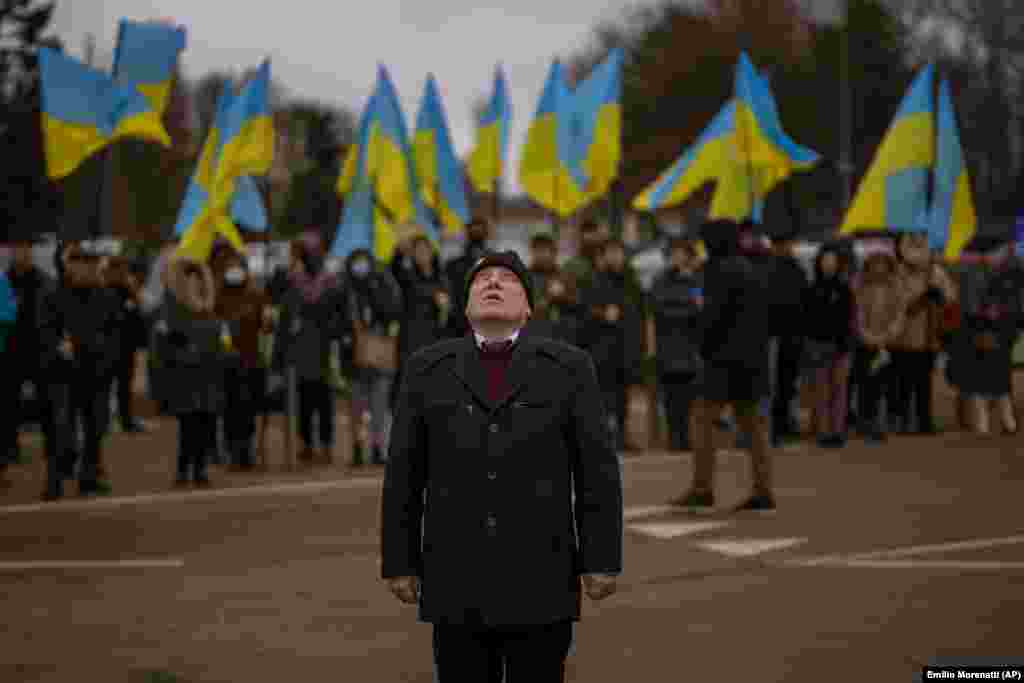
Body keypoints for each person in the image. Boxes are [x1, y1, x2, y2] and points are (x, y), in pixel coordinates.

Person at [380, 250, 623, 683]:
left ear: (528, 308)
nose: (493, 283)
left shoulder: (569, 368)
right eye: (481, 280)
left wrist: (601, 557)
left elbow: (596, 474)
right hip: (456, 576)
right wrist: (400, 561)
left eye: (507, 280)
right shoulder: (427, 369)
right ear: (466, 306)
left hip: (541, 577)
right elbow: (404, 474)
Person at [670, 219, 775, 513]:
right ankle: (763, 489)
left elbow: (711, 318)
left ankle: (702, 488)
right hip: (754, 360)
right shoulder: (751, 269)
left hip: (723, 361)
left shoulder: (716, 271)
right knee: (754, 426)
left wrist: (700, 342)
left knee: (702, 420)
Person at [38, 243, 122, 498]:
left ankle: (89, 477)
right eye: (81, 262)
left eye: (91, 263)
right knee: (61, 429)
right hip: (62, 375)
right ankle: (54, 479)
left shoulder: (106, 296)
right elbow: (43, 331)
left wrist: (105, 356)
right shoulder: (53, 295)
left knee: (95, 429)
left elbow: (115, 333)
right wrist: (56, 346)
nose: (87, 267)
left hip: (96, 374)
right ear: (70, 265)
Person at [152, 256, 226, 487]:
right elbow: (162, 347)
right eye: (189, 282)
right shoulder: (172, 313)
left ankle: (200, 469)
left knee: (204, 425)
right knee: (188, 427)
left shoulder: (211, 316)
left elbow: (222, 346)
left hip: (208, 378)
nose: (194, 287)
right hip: (185, 379)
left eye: (198, 282)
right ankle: (184, 470)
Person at [339, 248, 403, 465]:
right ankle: (358, 447)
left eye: (364, 262)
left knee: (379, 403)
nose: (360, 266)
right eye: (356, 262)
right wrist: (346, 336)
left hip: (379, 352)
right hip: (352, 355)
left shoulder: (383, 285)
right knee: (356, 404)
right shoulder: (344, 289)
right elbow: (335, 321)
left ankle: (378, 447)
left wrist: (376, 290)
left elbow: (394, 310)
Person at [648, 236, 704, 451]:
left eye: (682, 253)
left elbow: (700, 309)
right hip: (668, 347)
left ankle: (685, 437)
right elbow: (659, 309)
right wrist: (687, 307)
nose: (678, 257)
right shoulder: (661, 280)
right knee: (671, 398)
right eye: (674, 253)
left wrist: (684, 307)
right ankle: (674, 438)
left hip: (691, 348)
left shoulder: (696, 280)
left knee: (688, 397)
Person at [803, 243, 856, 448]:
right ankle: (824, 431)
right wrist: (810, 342)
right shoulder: (811, 289)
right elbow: (806, 318)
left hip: (841, 345)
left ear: (838, 264)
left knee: (840, 390)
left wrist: (846, 342)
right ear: (819, 262)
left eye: (832, 260)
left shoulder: (845, 290)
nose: (828, 264)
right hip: (818, 345)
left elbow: (849, 318)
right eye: (825, 260)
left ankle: (838, 430)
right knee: (821, 390)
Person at [443, 217, 492, 338]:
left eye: (479, 229)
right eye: (473, 229)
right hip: (460, 324)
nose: (476, 232)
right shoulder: (453, 265)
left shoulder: (497, 263)